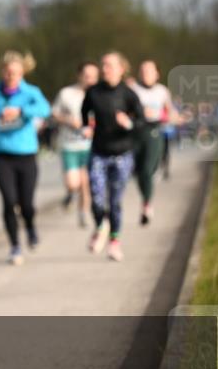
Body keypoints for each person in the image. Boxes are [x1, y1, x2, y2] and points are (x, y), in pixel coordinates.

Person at [0, 51, 51, 265]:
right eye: (8, 72)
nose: (12, 77)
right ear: (2, 71)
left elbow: (45, 109)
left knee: (27, 204)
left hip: (27, 155)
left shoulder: (31, 92)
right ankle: (14, 245)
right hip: (3, 156)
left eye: (16, 73)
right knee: (9, 201)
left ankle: (30, 227)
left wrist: (21, 110)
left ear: (22, 73)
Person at [81, 52, 144, 261]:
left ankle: (115, 242)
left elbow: (141, 121)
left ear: (121, 69)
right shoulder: (93, 92)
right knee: (97, 198)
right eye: (103, 65)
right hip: (99, 152)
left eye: (109, 65)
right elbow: (85, 112)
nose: (104, 69)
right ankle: (101, 225)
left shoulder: (128, 94)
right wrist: (85, 127)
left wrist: (130, 124)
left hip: (123, 154)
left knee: (115, 201)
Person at [52, 62, 99, 228]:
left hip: (90, 146)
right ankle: (70, 194)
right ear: (79, 76)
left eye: (94, 77)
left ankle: (83, 213)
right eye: (87, 76)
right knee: (74, 183)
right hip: (69, 145)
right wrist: (68, 121)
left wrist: (94, 129)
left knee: (86, 182)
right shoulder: (66, 93)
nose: (90, 80)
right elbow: (54, 113)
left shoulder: (99, 94)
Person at [129, 60, 176, 226]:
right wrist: (137, 114)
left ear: (157, 74)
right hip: (135, 133)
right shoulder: (133, 90)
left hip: (154, 132)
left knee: (148, 170)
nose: (145, 74)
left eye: (149, 71)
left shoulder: (162, 91)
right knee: (138, 173)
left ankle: (147, 204)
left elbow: (170, 112)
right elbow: (125, 111)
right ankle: (146, 198)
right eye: (143, 71)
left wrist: (168, 117)